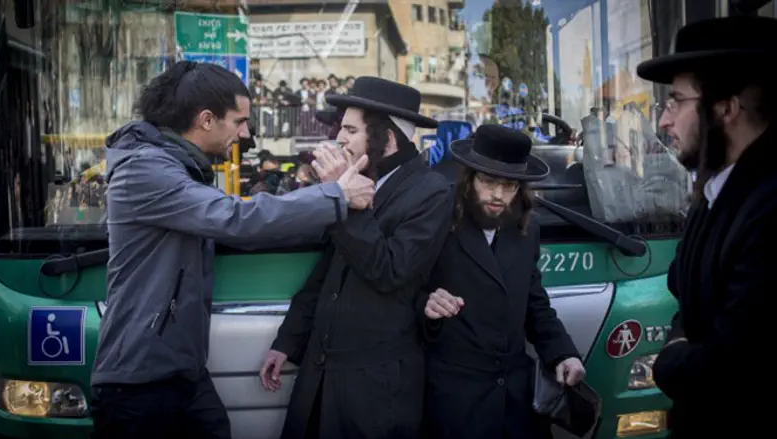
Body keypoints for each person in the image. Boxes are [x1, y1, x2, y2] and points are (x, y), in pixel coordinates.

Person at [89, 61, 376, 439]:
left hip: (180, 372)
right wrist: (334, 196)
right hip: (139, 383)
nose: (245, 134)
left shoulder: (177, 167)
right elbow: (235, 219)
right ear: (206, 120)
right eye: (240, 122)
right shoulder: (146, 170)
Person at [259, 76, 454, 439]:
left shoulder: (431, 192)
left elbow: (391, 270)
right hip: (320, 374)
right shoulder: (359, 179)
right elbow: (327, 272)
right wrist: (287, 341)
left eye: (350, 130)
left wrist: (349, 202)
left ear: (389, 138)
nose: (340, 139)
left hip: (375, 388)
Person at [635, 15, 777, 438]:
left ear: (726, 108)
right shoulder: (716, 187)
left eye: (676, 101)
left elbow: (735, 362)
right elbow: (685, 287)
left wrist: (668, 361)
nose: (664, 120)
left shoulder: (769, 205)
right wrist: (683, 341)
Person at [419, 124, 585, 439]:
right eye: (489, 181)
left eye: (510, 185)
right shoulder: (438, 222)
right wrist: (426, 305)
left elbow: (534, 301)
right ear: (468, 180)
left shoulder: (525, 229)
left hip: (516, 401)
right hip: (455, 402)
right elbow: (404, 293)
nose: (498, 195)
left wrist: (563, 352)